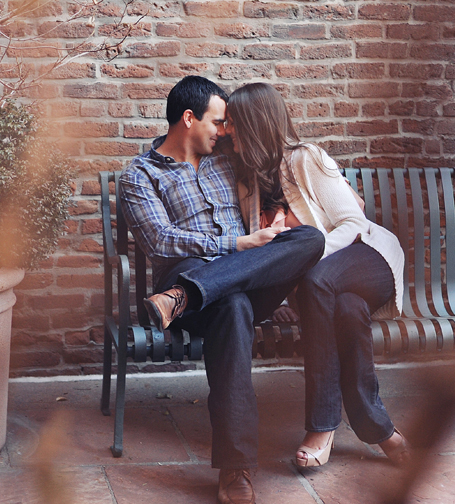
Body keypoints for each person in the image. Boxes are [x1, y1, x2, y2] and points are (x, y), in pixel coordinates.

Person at [119, 76, 326, 504]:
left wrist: (293, 213)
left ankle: (186, 295)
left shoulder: (230, 160)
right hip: (194, 275)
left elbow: (284, 190)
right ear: (189, 119)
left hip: (229, 283)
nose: (225, 130)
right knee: (231, 306)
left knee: (311, 239)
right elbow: (159, 240)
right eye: (218, 121)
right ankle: (236, 470)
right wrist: (234, 245)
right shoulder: (139, 176)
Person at [225, 82, 412, 468]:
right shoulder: (249, 185)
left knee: (319, 281)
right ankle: (378, 428)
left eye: (232, 122)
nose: (227, 131)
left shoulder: (304, 159)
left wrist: (311, 257)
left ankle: (322, 427)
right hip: (327, 289)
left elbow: (352, 222)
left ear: (255, 124)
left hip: (367, 254)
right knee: (346, 310)